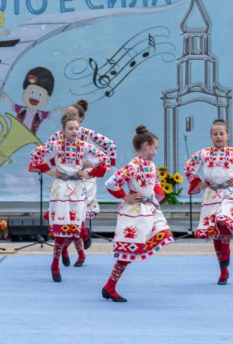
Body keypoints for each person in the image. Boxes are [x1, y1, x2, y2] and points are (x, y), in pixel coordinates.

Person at [29, 113, 109, 281]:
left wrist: (89, 174)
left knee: (76, 226)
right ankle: (55, 263)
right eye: (70, 128)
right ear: (63, 130)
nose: (74, 131)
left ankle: (65, 251)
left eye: (76, 128)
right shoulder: (56, 145)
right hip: (61, 188)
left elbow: (104, 159)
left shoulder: (85, 147)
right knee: (61, 226)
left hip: (78, 187)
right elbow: (35, 154)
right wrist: (48, 170)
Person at [184, 119, 233, 285]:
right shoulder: (203, 153)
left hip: (229, 192)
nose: (218, 136)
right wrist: (197, 182)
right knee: (215, 232)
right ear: (211, 136)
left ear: (228, 136)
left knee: (223, 220)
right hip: (211, 194)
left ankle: (225, 255)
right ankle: (223, 271)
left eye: (221, 133)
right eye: (215, 134)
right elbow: (189, 167)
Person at [101, 126, 174, 302]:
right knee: (128, 252)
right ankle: (109, 287)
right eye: (155, 147)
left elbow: (154, 186)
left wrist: (158, 196)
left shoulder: (151, 165)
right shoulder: (133, 166)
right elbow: (111, 183)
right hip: (136, 212)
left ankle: (109, 286)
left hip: (149, 210)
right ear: (146, 146)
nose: (156, 151)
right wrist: (125, 196)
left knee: (163, 233)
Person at [47, 100, 116, 249]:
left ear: (80, 118)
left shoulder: (88, 134)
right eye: (67, 113)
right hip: (65, 177)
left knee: (80, 207)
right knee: (63, 208)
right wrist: (55, 167)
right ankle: (76, 238)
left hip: (84, 176)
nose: (69, 116)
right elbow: (46, 152)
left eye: (73, 114)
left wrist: (96, 165)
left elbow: (110, 146)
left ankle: (78, 237)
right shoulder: (58, 135)